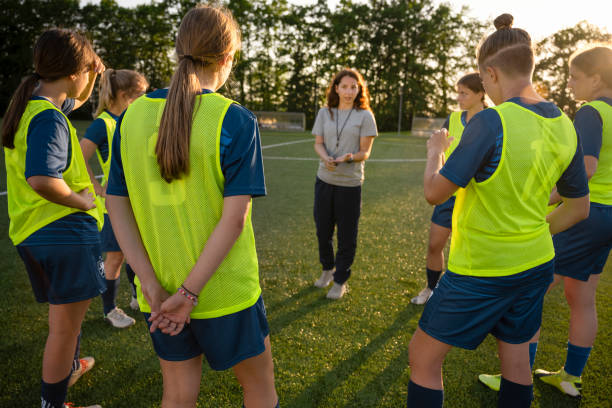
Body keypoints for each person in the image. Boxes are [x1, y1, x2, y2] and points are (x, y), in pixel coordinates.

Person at [406, 14, 590, 408]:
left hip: (481, 269)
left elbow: (434, 193)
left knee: (422, 358)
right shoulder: (565, 124)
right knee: (517, 363)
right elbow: (578, 208)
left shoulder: (491, 121)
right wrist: (532, 233)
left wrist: (435, 152)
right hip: (537, 263)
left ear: (490, 74)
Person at [105, 5, 278, 407]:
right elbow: (234, 222)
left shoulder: (132, 115)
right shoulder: (233, 119)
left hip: (159, 293)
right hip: (224, 292)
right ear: (226, 57)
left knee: (179, 395)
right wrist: (189, 294)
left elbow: (117, 206)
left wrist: (149, 285)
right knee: (259, 388)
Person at [1, 28, 105, 408]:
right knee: (64, 331)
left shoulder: (32, 106)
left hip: (33, 234)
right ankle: (54, 402)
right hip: (63, 233)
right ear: (75, 72)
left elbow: (71, 102)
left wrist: (91, 75)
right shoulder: (49, 119)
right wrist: (81, 201)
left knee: (63, 326)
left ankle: (68, 367)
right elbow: (43, 178)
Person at [411, 72, 486, 304]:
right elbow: (440, 149)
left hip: (478, 198)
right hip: (448, 193)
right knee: (435, 244)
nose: (459, 97)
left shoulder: (492, 120)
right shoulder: (453, 119)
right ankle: (431, 288)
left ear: (481, 94)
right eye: (458, 92)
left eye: (464, 93)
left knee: (472, 252)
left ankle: (471, 296)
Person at [81, 69, 148, 328]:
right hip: (114, 207)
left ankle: (135, 296)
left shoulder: (134, 119)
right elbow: (79, 157)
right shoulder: (104, 123)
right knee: (115, 258)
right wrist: (97, 188)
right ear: (124, 95)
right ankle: (110, 310)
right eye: (141, 94)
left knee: (137, 253)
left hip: (137, 203)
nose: (145, 98)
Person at [311, 68, 378, 299]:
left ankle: (340, 281)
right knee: (322, 231)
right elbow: (318, 143)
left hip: (350, 184)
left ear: (359, 90)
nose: (349, 91)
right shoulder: (324, 113)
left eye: (354, 87)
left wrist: (349, 157)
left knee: (347, 235)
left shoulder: (365, 116)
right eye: (345, 86)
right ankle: (327, 270)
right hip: (324, 180)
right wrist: (325, 157)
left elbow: (365, 152)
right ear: (336, 88)